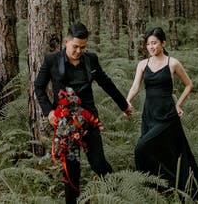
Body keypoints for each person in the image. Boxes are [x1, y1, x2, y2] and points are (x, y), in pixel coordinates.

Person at [33, 23, 132, 204]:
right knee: (71, 170)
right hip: (65, 125)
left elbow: (106, 83)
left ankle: (119, 194)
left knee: (98, 163)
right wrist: (48, 111)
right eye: (75, 46)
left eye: (83, 47)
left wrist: (123, 105)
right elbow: (38, 87)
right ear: (66, 42)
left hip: (89, 121)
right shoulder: (52, 60)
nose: (79, 51)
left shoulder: (91, 59)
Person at [124, 27, 198, 203]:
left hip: (167, 115)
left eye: (154, 43)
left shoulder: (172, 63)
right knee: (158, 153)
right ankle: (159, 190)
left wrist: (178, 103)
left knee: (141, 148)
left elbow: (189, 85)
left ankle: (179, 189)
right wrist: (127, 101)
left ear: (163, 43)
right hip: (149, 114)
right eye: (148, 44)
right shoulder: (143, 64)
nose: (151, 47)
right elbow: (136, 86)